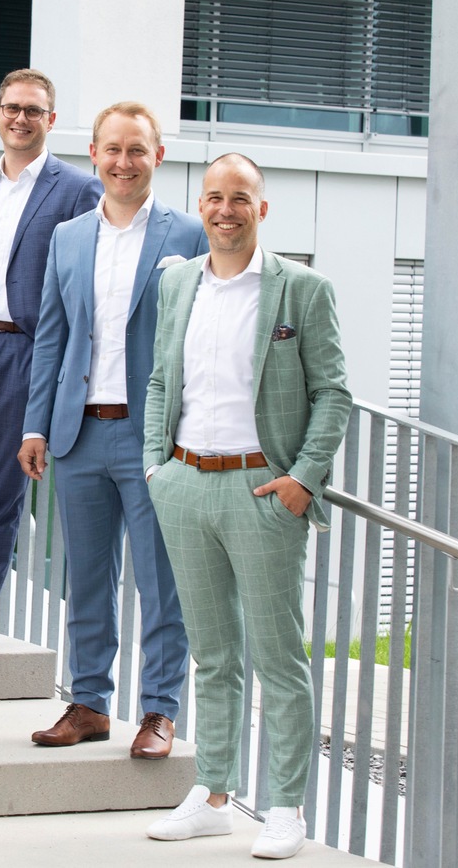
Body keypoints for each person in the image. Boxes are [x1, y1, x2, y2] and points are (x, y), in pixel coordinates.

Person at [143, 154, 350, 859]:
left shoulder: (302, 289)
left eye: (239, 198)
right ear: (200, 206)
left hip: (264, 491)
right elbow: (161, 379)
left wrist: (304, 479)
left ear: (261, 209)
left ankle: (286, 807)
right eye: (213, 197)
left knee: (278, 656)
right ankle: (212, 795)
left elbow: (333, 393)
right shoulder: (177, 282)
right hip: (186, 484)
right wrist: (157, 467)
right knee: (212, 654)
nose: (224, 210)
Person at [18, 102, 207, 759]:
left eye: (137, 150)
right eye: (113, 150)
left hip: (156, 439)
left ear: (158, 156)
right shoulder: (69, 236)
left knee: (160, 581)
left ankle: (159, 710)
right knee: (88, 579)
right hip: (78, 435)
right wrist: (35, 424)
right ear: (94, 154)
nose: (124, 162)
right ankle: (90, 703)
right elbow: (51, 336)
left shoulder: (189, 234)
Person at [0, 69, 101, 655]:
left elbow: (84, 287)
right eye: (11, 108)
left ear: (50, 120)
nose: (21, 119)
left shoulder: (78, 190)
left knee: (3, 491)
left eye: (33, 110)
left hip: (29, 352)